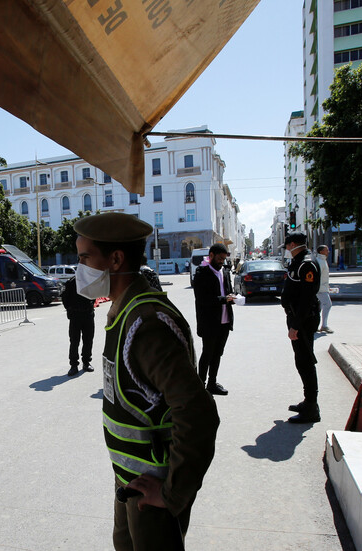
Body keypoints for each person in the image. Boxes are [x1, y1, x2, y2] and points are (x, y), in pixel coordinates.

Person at [74, 213, 219, 551]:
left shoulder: (146, 323)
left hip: (153, 491)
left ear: (115, 259)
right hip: (131, 480)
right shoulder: (123, 311)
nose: (79, 268)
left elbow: (197, 413)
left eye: (84, 258)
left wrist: (172, 493)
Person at [279, 232, 321, 424]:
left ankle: (311, 407)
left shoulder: (306, 264)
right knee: (301, 360)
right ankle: (308, 401)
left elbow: (306, 298)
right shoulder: (299, 262)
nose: (287, 250)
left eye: (287, 246)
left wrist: (295, 326)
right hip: (297, 317)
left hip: (303, 320)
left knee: (305, 362)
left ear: (293, 244)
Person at [193, 243, 236, 396]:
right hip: (209, 322)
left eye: (224, 259)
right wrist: (224, 299)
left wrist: (233, 298)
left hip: (224, 321)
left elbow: (228, 291)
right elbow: (202, 299)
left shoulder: (224, 272)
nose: (222, 262)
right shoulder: (201, 273)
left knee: (218, 354)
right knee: (207, 354)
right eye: (219, 258)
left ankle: (212, 383)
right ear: (211, 256)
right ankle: (200, 386)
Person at [61, 276, 95, 376]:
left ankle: (86, 362)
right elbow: (65, 298)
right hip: (75, 316)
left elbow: (94, 295)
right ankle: (73, 365)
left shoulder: (90, 281)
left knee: (88, 339)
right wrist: (70, 310)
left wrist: (90, 306)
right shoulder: (71, 282)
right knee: (74, 341)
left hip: (88, 314)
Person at [316, 245, 333, 334]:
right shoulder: (320, 261)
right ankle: (324, 325)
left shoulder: (323, 260)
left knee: (319, 307)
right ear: (321, 251)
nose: (328, 252)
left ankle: (317, 325)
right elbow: (317, 276)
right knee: (328, 304)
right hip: (320, 289)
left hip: (322, 287)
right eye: (326, 250)